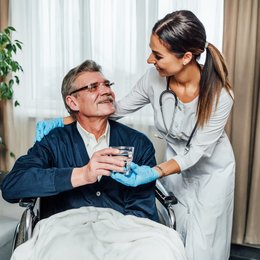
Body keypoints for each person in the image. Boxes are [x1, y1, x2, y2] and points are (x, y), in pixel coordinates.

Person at [33, 10, 235, 260]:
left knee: (206, 241)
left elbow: (197, 153)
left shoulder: (220, 95)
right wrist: (66, 119)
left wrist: (155, 171)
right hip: (174, 160)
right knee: (177, 232)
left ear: (186, 57)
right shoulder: (154, 78)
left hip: (210, 167)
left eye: (158, 55)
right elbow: (116, 108)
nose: (150, 60)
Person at [1, 59, 159, 222]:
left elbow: (142, 210)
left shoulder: (138, 143)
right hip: (67, 235)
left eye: (107, 84)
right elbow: (12, 186)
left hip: (123, 235)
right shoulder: (54, 141)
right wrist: (83, 174)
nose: (106, 91)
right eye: (93, 87)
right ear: (73, 102)